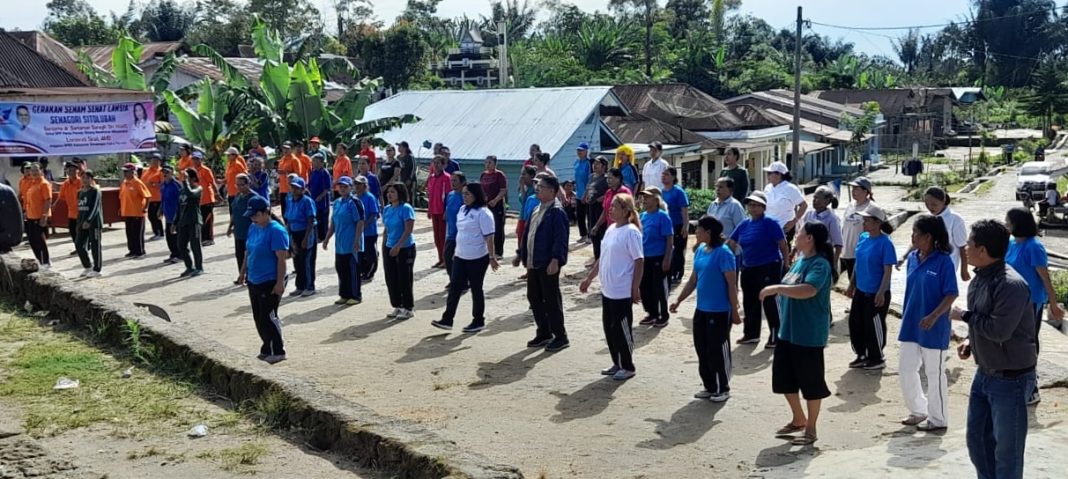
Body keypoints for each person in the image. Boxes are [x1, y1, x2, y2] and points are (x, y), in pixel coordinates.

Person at [951, 220, 1035, 479]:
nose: (965, 247)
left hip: (1011, 379)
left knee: (1007, 453)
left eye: (970, 243)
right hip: (985, 374)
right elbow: (984, 320)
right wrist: (970, 341)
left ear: (983, 250)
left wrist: (963, 316)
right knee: (977, 442)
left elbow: (999, 331)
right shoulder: (980, 278)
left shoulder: (1011, 285)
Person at [760, 221, 837, 446]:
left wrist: (776, 288)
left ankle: (811, 429)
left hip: (809, 333)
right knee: (784, 380)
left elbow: (809, 290)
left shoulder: (819, 265)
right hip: (788, 332)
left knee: (811, 383)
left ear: (810, 238)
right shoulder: (799, 261)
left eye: (800, 232)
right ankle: (798, 419)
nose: (796, 236)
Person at [670, 215, 741, 402]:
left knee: (717, 349)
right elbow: (693, 279)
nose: (696, 233)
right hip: (701, 309)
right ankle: (709, 386)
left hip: (719, 311)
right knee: (702, 348)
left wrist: (734, 311)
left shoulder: (724, 253)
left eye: (699, 230)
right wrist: (678, 300)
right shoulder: (701, 250)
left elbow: (731, 285)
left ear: (708, 232)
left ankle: (722, 387)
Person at [898, 214, 958, 432]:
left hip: (934, 326)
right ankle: (918, 409)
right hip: (911, 323)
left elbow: (951, 294)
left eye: (916, 233)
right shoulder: (913, 258)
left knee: (934, 373)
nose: (912, 237)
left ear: (929, 237)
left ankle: (938, 417)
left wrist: (934, 315)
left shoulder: (943, 262)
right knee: (906, 369)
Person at [1005, 207, 1064, 406]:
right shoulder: (1011, 244)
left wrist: (1053, 303)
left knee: (1028, 343)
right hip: (1012, 301)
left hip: (1031, 302)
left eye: (1008, 222)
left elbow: (1045, 277)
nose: (1006, 225)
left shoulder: (1033, 247)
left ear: (1017, 224)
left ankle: (1032, 388)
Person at [580, 193, 643, 380]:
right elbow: (602, 257)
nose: (610, 209)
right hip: (608, 289)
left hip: (622, 289)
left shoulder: (631, 232)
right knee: (609, 327)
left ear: (626, 211)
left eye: (615, 206)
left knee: (621, 328)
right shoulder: (610, 229)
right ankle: (617, 362)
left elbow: (639, 261)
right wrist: (589, 278)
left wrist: (635, 287)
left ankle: (628, 366)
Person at [432, 183, 499, 333]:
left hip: (477, 257)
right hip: (461, 255)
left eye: (468, 194)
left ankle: (478, 320)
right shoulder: (462, 210)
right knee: (455, 286)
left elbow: (489, 237)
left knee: (476, 288)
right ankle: (447, 319)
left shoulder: (484, 213)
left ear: (476, 195)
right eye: (463, 194)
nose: (465, 197)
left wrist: (492, 257)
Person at [514, 175, 570, 352]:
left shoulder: (557, 211)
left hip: (547, 263)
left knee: (551, 299)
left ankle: (560, 336)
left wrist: (556, 259)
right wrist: (519, 254)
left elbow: (560, 239)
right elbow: (527, 233)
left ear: (552, 191)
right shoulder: (537, 208)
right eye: (537, 185)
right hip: (533, 261)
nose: (537, 188)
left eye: (542, 186)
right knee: (534, 297)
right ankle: (544, 332)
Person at [728, 191, 789, 348]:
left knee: (770, 301)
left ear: (763, 207)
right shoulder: (744, 224)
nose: (752, 208)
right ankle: (751, 334)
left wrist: (786, 263)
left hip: (769, 266)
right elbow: (731, 242)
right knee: (749, 301)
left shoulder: (770, 223)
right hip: (748, 267)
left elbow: (782, 244)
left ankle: (776, 335)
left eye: (756, 205)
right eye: (750, 205)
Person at [239, 195, 290, 364]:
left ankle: (278, 349)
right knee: (258, 317)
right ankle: (266, 346)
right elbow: (248, 252)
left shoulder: (276, 230)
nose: (253, 218)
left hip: (270, 280)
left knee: (268, 316)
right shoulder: (253, 228)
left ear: (265, 212)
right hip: (254, 279)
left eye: (255, 215)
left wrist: (279, 283)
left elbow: (281, 259)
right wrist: (242, 272)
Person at [846, 204, 896, 370]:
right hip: (861, 290)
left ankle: (876, 357)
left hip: (876, 292)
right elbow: (857, 264)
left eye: (866, 220)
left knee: (873, 324)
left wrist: (881, 292)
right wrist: (852, 284)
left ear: (877, 222)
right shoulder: (863, 238)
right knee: (856, 322)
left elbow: (887, 270)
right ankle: (861, 354)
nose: (863, 223)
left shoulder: (885, 243)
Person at [910, 187, 970, 282]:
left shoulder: (955, 219)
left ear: (943, 201)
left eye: (934, 204)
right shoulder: (926, 218)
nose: (930, 207)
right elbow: (917, 240)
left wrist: (964, 270)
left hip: (947, 265)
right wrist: (904, 257)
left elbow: (962, 246)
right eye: (927, 204)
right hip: (927, 262)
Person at [322, 176, 366, 306]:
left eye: (345, 186)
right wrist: (326, 239)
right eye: (340, 186)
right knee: (341, 269)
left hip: (352, 243)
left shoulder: (354, 202)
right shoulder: (337, 203)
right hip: (340, 244)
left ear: (350, 188)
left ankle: (355, 295)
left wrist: (357, 240)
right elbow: (333, 223)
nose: (342, 189)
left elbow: (360, 222)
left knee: (352, 270)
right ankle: (344, 294)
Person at [638, 188, 673, 327]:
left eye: (647, 197)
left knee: (659, 287)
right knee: (645, 287)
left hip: (658, 257)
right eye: (643, 198)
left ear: (656, 199)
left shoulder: (663, 216)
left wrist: (667, 258)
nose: (644, 200)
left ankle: (663, 314)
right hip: (645, 257)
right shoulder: (642, 216)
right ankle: (651, 313)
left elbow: (669, 240)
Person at [382, 183, 417, 319]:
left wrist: (398, 245)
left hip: (405, 248)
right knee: (391, 277)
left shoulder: (406, 208)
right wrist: (384, 245)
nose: (389, 194)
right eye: (388, 192)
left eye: (393, 192)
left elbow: (408, 229)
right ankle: (397, 305)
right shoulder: (387, 209)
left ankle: (408, 307)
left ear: (400, 194)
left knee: (404, 278)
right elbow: (386, 229)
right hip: (389, 246)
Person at [591, 168, 633, 263]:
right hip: (611, 228)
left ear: (618, 178)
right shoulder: (608, 192)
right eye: (607, 178)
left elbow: (631, 211)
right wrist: (597, 226)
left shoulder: (625, 192)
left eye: (611, 178)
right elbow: (605, 211)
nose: (608, 180)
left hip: (623, 229)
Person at [285, 177, 318, 297]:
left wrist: (305, 238)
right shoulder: (289, 199)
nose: (294, 190)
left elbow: (310, 220)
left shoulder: (307, 201)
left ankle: (309, 286)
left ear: (303, 189)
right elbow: (288, 218)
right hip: (294, 232)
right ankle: (300, 286)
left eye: (297, 188)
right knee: (297, 261)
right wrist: (288, 236)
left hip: (306, 232)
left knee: (307, 261)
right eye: (292, 187)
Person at [763, 161, 807, 243]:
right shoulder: (767, 188)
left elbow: (803, 205)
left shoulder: (791, 188)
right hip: (768, 227)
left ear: (779, 175)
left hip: (784, 227)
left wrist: (793, 222)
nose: (767, 175)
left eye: (770, 173)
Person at [841, 177, 875, 282]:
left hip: (862, 254)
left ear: (866, 191)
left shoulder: (872, 208)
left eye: (856, 188)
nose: (853, 191)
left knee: (861, 284)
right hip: (847, 253)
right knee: (852, 284)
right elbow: (844, 227)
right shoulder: (850, 206)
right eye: (852, 188)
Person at [799, 185, 843, 266]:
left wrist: (835, 262)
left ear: (826, 201)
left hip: (822, 258)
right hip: (806, 256)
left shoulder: (832, 219)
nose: (814, 200)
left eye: (817, 198)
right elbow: (801, 234)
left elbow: (838, 244)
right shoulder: (809, 214)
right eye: (814, 197)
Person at [661, 167, 690, 283]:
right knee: (669, 250)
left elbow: (684, 210)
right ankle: (670, 271)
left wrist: (685, 225)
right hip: (666, 227)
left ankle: (678, 273)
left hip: (678, 225)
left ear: (673, 177)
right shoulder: (661, 192)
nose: (663, 176)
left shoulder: (678, 192)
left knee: (678, 250)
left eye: (666, 174)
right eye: (662, 174)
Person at [227, 174, 257, 283]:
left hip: (250, 232)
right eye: (237, 185)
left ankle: (250, 276)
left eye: (242, 185)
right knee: (239, 254)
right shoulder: (238, 196)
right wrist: (230, 226)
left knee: (249, 255)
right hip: (239, 231)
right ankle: (242, 275)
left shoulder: (253, 197)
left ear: (248, 184)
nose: (239, 187)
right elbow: (234, 212)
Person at [176, 168, 204, 277]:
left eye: (187, 177)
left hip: (194, 221)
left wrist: (185, 181)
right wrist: (175, 222)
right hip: (184, 222)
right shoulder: (181, 191)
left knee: (195, 245)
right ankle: (189, 266)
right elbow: (179, 208)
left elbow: (191, 193)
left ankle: (199, 267)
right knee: (181, 245)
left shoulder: (198, 188)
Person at [119, 163, 150, 258]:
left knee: (137, 233)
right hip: (127, 212)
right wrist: (121, 208)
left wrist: (145, 208)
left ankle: (140, 251)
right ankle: (132, 250)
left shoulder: (137, 183)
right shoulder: (124, 183)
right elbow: (122, 197)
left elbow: (147, 196)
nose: (125, 173)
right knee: (130, 233)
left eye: (127, 171)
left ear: (133, 172)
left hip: (137, 212)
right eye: (124, 171)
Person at [75, 170, 103, 277]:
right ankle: (87, 266)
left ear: (91, 179)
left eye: (87, 178)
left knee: (95, 245)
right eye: (83, 178)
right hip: (82, 222)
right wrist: (80, 222)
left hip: (94, 223)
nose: (84, 180)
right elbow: (80, 209)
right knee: (79, 245)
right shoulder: (80, 192)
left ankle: (97, 269)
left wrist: (89, 221)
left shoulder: (95, 191)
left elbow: (95, 208)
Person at [23, 163, 52, 268]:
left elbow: (48, 200)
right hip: (30, 216)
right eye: (32, 170)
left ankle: (46, 262)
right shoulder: (32, 183)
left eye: (36, 170)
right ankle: (40, 260)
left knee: (40, 241)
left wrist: (44, 216)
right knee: (32, 240)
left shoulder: (44, 184)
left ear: (41, 170)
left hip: (39, 216)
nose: (33, 172)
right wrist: (26, 211)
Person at [480, 155, 508, 257]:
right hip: (485, 205)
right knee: (486, 227)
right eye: (486, 162)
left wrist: (495, 200)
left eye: (490, 163)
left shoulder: (499, 175)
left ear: (495, 164)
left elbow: (503, 190)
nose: (487, 165)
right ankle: (487, 250)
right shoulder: (483, 175)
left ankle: (498, 251)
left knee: (498, 227)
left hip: (497, 205)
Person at [427, 155, 451, 268]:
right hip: (434, 210)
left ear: (443, 165)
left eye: (438, 163)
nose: (436, 165)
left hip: (442, 211)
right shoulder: (431, 178)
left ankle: (446, 259)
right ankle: (440, 258)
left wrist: (447, 210)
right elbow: (430, 195)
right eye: (434, 163)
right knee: (436, 237)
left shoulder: (447, 178)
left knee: (443, 236)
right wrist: (429, 209)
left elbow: (447, 196)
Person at [443, 171, 467, 288]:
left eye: (455, 180)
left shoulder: (465, 197)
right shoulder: (450, 195)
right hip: (451, 232)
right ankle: (453, 279)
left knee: (460, 258)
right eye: (451, 180)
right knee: (447, 257)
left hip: (462, 233)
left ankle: (463, 282)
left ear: (462, 182)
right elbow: (448, 208)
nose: (452, 183)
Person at [355, 175, 381, 282]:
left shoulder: (370, 197)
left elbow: (374, 214)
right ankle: (362, 271)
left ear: (365, 186)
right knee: (360, 253)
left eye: (359, 184)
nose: (357, 186)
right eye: (356, 184)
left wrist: (365, 225)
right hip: (358, 232)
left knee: (370, 254)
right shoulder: (355, 197)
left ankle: (370, 273)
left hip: (369, 232)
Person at [705, 177, 745, 242]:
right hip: (712, 245)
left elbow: (742, 229)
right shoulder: (713, 205)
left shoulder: (735, 206)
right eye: (716, 186)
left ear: (730, 189)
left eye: (721, 187)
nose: (717, 189)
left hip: (728, 245)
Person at [191, 152, 218, 247]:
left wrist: (217, 194)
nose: (195, 161)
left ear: (201, 160)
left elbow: (212, 183)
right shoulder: (193, 171)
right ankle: (203, 238)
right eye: (193, 159)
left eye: (197, 159)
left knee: (208, 220)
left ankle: (209, 238)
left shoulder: (206, 170)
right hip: (198, 199)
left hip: (207, 199)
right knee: (200, 220)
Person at [585, 157, 609, 259]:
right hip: (591, 206)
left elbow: (612, 192)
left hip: (602, 208)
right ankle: (596, 258)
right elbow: (588, 188)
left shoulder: (607, 178)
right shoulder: (591, 177)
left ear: (604, 166)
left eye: (597, 163)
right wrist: (585, 197)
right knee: (592, 231)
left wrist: (603, 197)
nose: (594, 165)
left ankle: (603, 258)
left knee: (601, 232)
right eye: (594, 163)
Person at [57, 161, 82, 253]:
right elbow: (61, 196)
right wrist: (54, 205)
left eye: (73, 170)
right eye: (69, 170)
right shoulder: (65, 184)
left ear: (77, 171)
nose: (71, 172)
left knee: (82, 232)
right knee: (73, 232)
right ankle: (78, 247)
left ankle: (83, 247)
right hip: (71, 212)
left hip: (81, 212)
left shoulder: (82, 181)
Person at [308, 153, 333, 241]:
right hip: (313, 199)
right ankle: (317, 235)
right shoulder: (312, 172)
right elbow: (309, 185)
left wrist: (321, 196)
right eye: (313, 161)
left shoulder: (324, 173)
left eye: (315, 161)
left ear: (321, 162)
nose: (313, 163)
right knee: (316, 217)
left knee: (323, 218)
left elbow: (327, 188)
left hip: (322, 201)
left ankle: (324, 236)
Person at [160, 166, 181, 264]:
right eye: (163, 172)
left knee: (176, 236)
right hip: (167, 214)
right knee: (169, 237)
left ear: (172, 173)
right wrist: (160, 210)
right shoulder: (163, 185)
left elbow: (181, 200)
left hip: (176, 215)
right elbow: (163, 199)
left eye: (167, 172)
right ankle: (173, 254)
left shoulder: (176, 185)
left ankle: (180, 255)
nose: (165, 174)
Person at [141, 154, 164, 240]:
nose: (154, 162)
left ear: (159, 162)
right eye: (153, 160)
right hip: (148, 197)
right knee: (150, 216)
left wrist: (154, 184)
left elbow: (163, 183)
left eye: (156, 160)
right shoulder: (145, 170)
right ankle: (156, 232)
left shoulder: (161, 171)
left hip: (157, 198)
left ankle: (160, 233)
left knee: (156, 215)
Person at [573, 143, 592, 244]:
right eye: (578, 150)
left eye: (581, 150)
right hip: (578, 193)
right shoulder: (576, 162)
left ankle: (590, 236)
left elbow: (590, 179)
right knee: (579, 216)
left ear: (586, 151)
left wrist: (586, 193)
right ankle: (583, 235)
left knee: (589, 216)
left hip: (587, 193)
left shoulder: (588, 163)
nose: (579, 152)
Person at [515, 166, 539, 244]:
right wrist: (522, 186)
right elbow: (522, 200)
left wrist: (522, 186)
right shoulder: (526, 188)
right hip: (522, 216)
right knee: (520, 238)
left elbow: (524, 200)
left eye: (524, 174)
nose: (522, 177)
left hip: (531, 218)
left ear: (531, 176)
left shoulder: (535, 189)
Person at [277, 142, 301, 217]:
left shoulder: (294, 160)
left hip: (291, 189)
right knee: (284, 211)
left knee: (291, 210)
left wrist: (286, 172)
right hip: (282, 188)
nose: (285, 150)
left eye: (287, 148)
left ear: (292, 149)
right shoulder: (282, 160)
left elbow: (298, 174)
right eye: (284, 148)